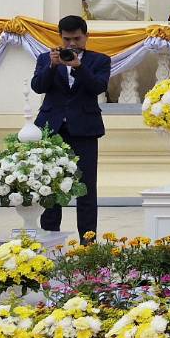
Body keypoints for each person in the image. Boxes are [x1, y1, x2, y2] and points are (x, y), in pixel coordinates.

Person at [30, 16, 110, 239]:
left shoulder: (100, 60)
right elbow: (38, 87)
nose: (71, 44)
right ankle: (49, 236)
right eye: (67, 39)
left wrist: (79, 67)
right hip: (51, 128)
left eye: (76, 38)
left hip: (84, 128)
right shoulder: (46, 58)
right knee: (49, 183)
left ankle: (88, 242)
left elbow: (98, 87)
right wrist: (52, 66)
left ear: (86, 36)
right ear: (60, 38)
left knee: (86, 187)